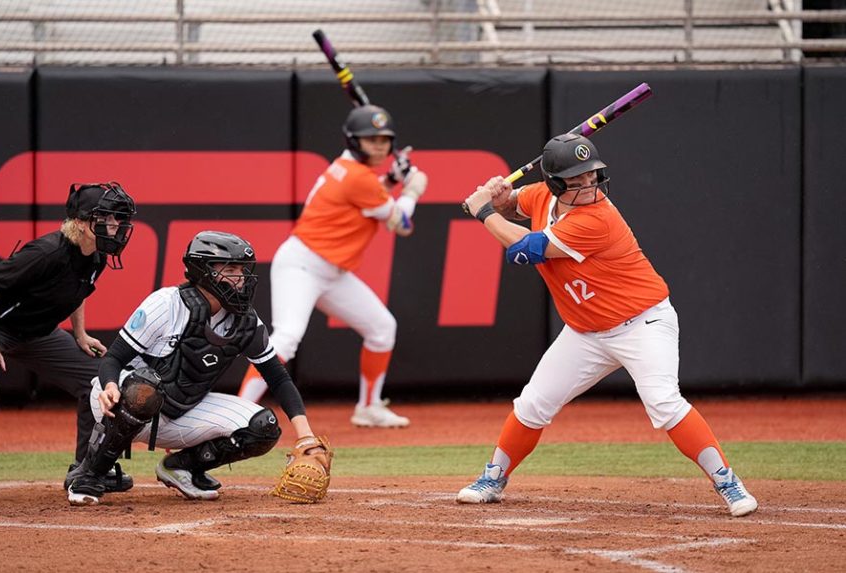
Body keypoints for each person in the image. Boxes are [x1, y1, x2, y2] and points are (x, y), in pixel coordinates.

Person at [456, 133, 758, 517]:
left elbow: (525, 250)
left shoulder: (597, 218)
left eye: (591, 175)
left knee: (663, 403)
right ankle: (493, 479)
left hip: (642, 323)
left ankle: (727, 482)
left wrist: (484, 211)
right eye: (577, 178)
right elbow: (517, 205)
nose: (588, 184)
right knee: (533, 403)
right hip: (586, 330)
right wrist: (499, 197)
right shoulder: (542, 197)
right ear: (554, 183)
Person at [67, 230, 328, 506]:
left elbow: (278, 378)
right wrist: (109, 386)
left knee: (263, 428)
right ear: (204, 271)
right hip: (122, 404)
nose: (240, 278)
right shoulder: (166, 303)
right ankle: (91, 474)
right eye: (231, 269)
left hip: (181, 410)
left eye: (242, 269)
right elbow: (112, 359)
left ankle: (181, 467)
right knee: (144, 389)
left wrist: (306, 437)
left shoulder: (246, 321)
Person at [238, 104, 428, 428]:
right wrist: (411, 189)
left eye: (384, 140)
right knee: (287, 337)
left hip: (331, 271)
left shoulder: (348, 168)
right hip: (302, 265)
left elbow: (370, 197)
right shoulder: (357, 177)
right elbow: (402, 223)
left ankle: (368, 407)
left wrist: (393, 178)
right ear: (354, 141)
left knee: (382, 328)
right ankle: (238, 411)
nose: (379, 146)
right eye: (371, 140)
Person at [0, 182, 136, 492]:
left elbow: (78, 290)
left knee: (97, 379)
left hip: (38, 334)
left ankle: (87, 469)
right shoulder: (46, 252)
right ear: (81, 223)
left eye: (117, 219)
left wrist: (79, 334)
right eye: (106, 219)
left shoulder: (97, 255)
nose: (115, 226)